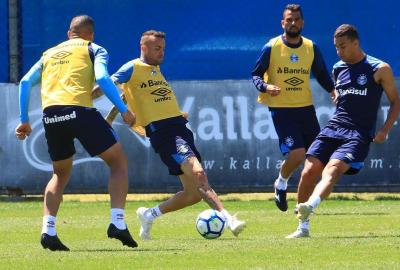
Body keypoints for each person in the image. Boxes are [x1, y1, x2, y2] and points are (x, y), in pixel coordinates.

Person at [93, 30, 246, 240]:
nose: (162, 52)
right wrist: (83, 97)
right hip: (164, 133)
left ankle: (149, 215)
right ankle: (229, 219)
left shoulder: (155, 70)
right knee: (199, 173)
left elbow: (127, 96)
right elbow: (106, 85)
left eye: (164, 48)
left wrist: (112, 115)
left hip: (180, 129)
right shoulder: (132, 67)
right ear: (143, 47)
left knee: (192, 194)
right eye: (157, 48)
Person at [15, 15, 138, 251]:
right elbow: (102, 78)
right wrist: (124, 110)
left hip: (51, 115)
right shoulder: (94, 48)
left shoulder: (49, 54)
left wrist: (24, 121)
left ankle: (48, 230)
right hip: (80, 111)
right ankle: (117, 223)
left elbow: (24, 82)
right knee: (118, 162)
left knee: (59, 174)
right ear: (90, 34)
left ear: (68, 33)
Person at [286, 24, 400, 238]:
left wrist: (385, 130)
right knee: (308, 172)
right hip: (333, 128)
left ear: (356, 43)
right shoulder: (338, 67)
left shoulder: (379, 68)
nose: (339, 51)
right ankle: (302, 227)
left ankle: (310, 205)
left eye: (343, 46)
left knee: (333, 169)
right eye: (336, 47)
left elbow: (396, 102)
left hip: (358, 133)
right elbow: (343, 98)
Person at [251, 4, 335, 212]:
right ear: (283, 23)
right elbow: (255, 74)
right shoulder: (271, 47)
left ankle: (302, 206)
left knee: (316, 159)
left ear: (302, 23)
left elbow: (322, 75)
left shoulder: (310, 47)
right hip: (282, 109)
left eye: (296, 19)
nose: (293, 23)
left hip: (306, 108)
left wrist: (334, 90)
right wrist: (265, 86)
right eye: (289, 20)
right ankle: (280, 182)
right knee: (297, 155)